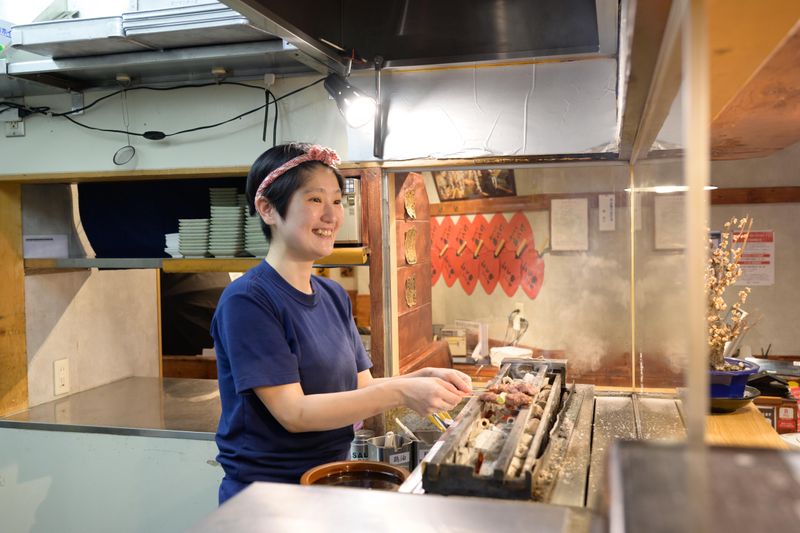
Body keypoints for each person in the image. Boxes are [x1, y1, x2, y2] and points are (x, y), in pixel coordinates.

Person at [212, 142, 472, 504]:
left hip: (329, 482)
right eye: (315, 199)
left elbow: (360, 387)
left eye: (337, 200)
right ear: (267, 209)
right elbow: (293, 413)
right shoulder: (248, 300)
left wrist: (420, 377)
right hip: (268, 498)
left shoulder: (333, 295)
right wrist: (402, 392)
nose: (332, 215)